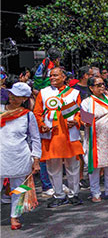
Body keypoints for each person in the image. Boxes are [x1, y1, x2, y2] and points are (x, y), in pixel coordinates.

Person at [33, 66, 83, 207]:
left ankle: (74, 193)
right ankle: (59, 195)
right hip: (52, 135)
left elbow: (80, 112)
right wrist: (42, 124)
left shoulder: (74, 93)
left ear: (64, 77)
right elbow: (37, 113)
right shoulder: (44, 93)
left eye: (56, 75)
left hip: (69, 136)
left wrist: (77, 121)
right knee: (53, 167)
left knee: (73, 166)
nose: (52, 78)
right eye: (51, 76)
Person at [1, 82, 41, 230]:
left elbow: (36, 139)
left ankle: (14, 216)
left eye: (16, 95)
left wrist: (36, 159)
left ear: (24, 99)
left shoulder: (28, 116)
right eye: (11, 93)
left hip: (20, 157)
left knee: (19, 188)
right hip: (1, 155)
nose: (12, 97)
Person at [81, 76, 108, 202]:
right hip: (95, 137)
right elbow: (85, 121)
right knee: (95, 165)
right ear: (91, 88)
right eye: (98, 85)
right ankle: (95, 192)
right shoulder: (87, 102)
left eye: (103, 84)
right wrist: (86, 123)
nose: (102, 87)